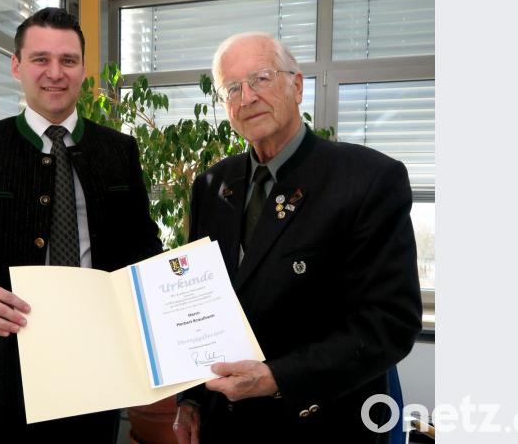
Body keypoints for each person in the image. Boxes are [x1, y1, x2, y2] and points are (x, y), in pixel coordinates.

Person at [0, 7, 162, 443]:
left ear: (84, 69)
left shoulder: (119, 150)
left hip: (101, 360)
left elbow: (142, 239)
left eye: (68, 61)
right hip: (8, 367)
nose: (55, 73)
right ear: (17, 65)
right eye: (40, 59)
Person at [173, 32, 422, 443]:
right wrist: (191, 398)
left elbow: (390, 323)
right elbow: (198, 302)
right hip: (225, 427)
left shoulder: (369, 179)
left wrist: (276, 377)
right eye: (232, 88)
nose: (247, 96)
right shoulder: (212, 185)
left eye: (262, 79)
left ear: (298, 85)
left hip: (321, 425)